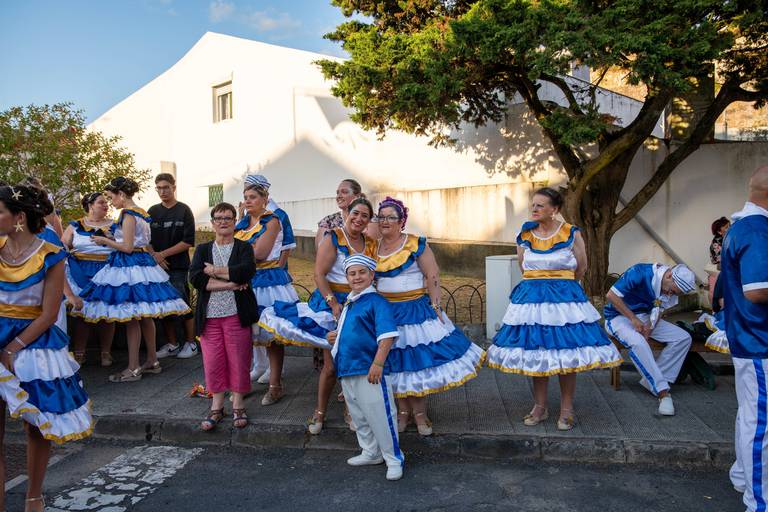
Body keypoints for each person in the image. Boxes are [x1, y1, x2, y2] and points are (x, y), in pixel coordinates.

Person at [487, 187, 622, 430]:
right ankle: (540, 407)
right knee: (537, 352)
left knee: (565, 351)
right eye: (533, 204)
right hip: (532, 301)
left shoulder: (571, 233)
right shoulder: (524, 234)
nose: (534, 209)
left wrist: (563, 286)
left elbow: (582, 267)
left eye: (540, 205)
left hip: (564, 301)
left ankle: (567, 409)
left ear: (555, 209)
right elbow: (523, 266)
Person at [0, 185, 93, 512]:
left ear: (19, 217)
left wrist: (12, 348)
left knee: (37, 424)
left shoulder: (51, 253)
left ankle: (33, 497)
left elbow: (49, 314)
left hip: (34, 340)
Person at [259, 198, 377, 434]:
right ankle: (320, 412)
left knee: (354, 364)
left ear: (368, 220)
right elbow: (319, 274)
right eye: (355, 213)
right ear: (347, 213)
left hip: (360, 306)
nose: (359, 219)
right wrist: (333, 304)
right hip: (331, 304)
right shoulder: (333, 237)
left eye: (365, 215)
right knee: (330, 366)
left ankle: (350, 410)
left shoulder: (371, 243)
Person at [375, 197, 485, 436]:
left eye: (391, 217)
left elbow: (432, 274)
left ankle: (420, 413)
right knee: (396, 363)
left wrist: (436, 306)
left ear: (401, 221)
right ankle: (402, 412)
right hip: (386, 312)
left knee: (416, 363)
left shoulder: (415, 244)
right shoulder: (373, 246)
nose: (385, 221)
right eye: (381, 217)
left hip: (414, 311)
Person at [75, 177, 191, 382]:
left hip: (129, 264)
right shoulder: (142, 212)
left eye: (111, 197)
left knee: (131, 316)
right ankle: (152, 361)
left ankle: (133, 367)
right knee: (145, 316)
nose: (111, 202)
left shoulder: (128, 214)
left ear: (121, 194)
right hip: (142, 263)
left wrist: (104, 241)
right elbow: (139, 242)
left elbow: (128, 247)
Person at [328, 254, 403, 481]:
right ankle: (371, 451)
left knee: (380, 414)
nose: (357, 277)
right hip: (348, 368)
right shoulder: (350, 302)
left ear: (372, 275)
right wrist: (336, 336)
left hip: (369, 368)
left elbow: (387, 335)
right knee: (359, 415)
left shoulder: (377, 302)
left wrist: (378, 363)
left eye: (362, 272)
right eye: (352, 273)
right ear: (347, 277)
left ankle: (393, 458)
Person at [720, 165, 768, 512]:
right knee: (759, 423)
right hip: (759, 339)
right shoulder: (756, 229)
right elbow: (757, 290)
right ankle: (759, 501)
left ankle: (742, 477)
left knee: (751, 415)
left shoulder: (742, 226)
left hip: (749, 339)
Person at [189, 203, 258, 431]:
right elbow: (196, 279)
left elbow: (245, 272)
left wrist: (214, 271)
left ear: (235, 222)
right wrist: (230, 283)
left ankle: (238, 405)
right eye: (218, 218)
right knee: (213, 361)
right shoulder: (203, 249)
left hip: (237, 314)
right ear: (212, 223)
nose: (223, 222)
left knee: (239, 359)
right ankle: (216, 407)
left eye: (228, 218)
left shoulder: (244, 247)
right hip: (209, 316)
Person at [235, 182, 298, 405]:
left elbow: (260, 253)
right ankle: (244, 381)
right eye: (246, 197)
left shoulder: (271, 220)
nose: (248, 200)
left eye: (253, 196)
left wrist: (238, 252)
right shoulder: (243, 222)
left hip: (268, 281)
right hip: (246, 279)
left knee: (271, 335)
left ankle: (275, 385)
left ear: (264, 199)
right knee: (244, 333)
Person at [604, 263, 696, 415]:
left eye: (674, 294)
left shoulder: (667, 286)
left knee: (683, 338)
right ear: (669, 276)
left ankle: (654, 380)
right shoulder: (639, 272)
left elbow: (659, 309)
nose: (670, 295)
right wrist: (633, 319)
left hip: (645, 317)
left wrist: (650, 329)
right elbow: (611, 295)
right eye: (671, 291)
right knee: (638, 343)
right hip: (618, 317)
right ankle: (662, 391)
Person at [61, 192, 116, 366]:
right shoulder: (75, 225)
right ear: (90, 205)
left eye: (106, 202)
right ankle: (79, 353)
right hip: (80, 272)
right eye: (101, 202)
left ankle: (106, 353)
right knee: (82, 312)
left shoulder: (115, 225)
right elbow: (62, 246)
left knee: (107, 313)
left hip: (107, 271)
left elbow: (125, 243)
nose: (106, 205)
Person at [149, 173, 198, 360]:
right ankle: (172, 344)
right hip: (157, 267)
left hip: (178, 267)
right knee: (164, 307)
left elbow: (188, 241)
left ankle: (191, 343)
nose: (162, 191)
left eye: (166, 187)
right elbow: (144, 239)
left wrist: (163, 254)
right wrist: (155, 256)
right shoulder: (152, 211)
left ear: (173, 187)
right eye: (159, 188)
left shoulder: (184, 210)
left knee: (182, 304)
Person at [705, 216, 730, 305]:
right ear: (719, 231)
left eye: (729, 226)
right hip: (719, 274)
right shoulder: (717, 243)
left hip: (722, 273)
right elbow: (722, 263)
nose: (730, 228)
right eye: (726, 227)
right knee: (719, 298)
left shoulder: (726, 239)